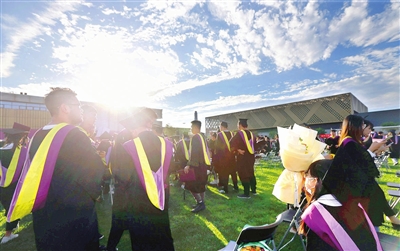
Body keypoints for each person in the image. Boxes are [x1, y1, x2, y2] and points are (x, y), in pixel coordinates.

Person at [7, 87, 105, 251]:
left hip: (44, 213)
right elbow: (94, 174)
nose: (81, 110)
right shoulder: (74, 134)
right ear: (65, 108)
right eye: (78, 105)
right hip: (74, 214)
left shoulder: (35, 136)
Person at [107, 108, 175, 250]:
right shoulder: (166, 144)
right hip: (162, 198)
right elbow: (171, 169)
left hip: (137, 203)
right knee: (163, 235)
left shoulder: (128, 147)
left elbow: (122, 178)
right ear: (149, 125)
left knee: (141, 240)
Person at [322, 115, 400, 231]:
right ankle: (385, 223)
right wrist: (372, 149)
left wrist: (375, 150)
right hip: (349, 187)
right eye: (363, 125)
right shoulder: (349, 143)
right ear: (355, 126)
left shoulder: (350, 141)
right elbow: (360, 164)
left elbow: (359, 163)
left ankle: (390, 219)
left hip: (354, 182)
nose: (364, 127)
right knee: (374, 193)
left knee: (375, 191)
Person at [299, 159, 382, 250]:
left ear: (314, 181)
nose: (305, 179)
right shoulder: (354, 203)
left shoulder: (315, 213)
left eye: (307, 176)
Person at [0, 122, 30, 244]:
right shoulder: (23, 152)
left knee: (8, 206)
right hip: (16, 185)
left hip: (1, 184)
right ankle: (8, 235)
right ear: (22, 137)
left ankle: (14, 225)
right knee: (13, 207)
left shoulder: (0, 150)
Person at [183, 120, 211, 213]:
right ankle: (201, 202)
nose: (191, 129)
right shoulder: (203, 136)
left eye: (191, 127)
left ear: (195, 127)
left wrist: (188, 165)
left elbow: (194, 153)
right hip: (203, 165)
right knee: (201, 184)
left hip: (197, 166)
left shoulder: (195, 137)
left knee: (191, 185)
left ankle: (200, 203)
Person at [230, 118, 256, 198]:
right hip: (251, 157)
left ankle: (246, 193)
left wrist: (237, 150)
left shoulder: (239, 134)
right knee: (251, 172)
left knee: (243, 174)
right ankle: (254, 190)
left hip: (242, 158)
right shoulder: (252, 134)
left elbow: (231, 144)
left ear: (240, 125)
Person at [213, 121, 238, 194]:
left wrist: (217, 158)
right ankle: (235, 187)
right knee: (233, 173)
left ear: (222, 127)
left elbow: (217, 148)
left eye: (220, 127)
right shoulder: (232, 134)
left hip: (223, 158)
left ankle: (225, 189)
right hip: (232, 157)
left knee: (224, 173)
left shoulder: (220, 135)